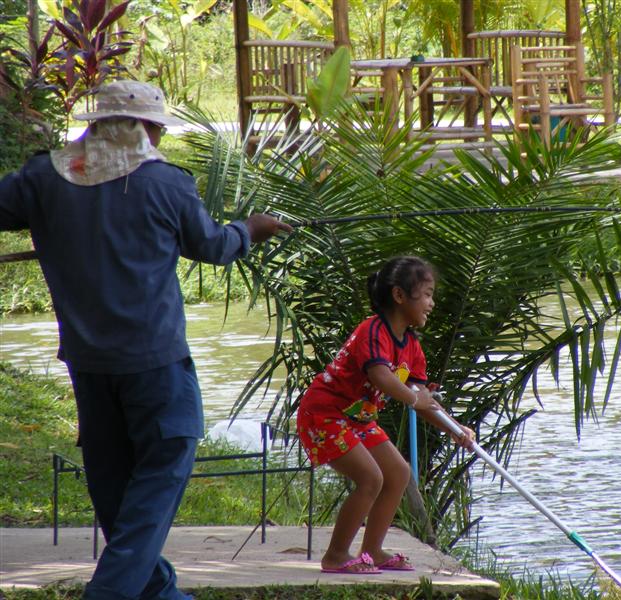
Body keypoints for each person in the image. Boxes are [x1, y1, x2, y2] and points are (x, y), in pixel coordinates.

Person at [0, 80, 292, 600]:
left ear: (96, 126)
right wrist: (251, 228)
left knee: (113, 480)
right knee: (166, 462)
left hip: (88, 363)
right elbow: (214, 247)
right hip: (155, 361)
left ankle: (158, 592)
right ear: (145, 130)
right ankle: (109, 594)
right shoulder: (168, 184)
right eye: (157, 128)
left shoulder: (43, 178)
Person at [297, 255, 475, 574]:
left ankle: (374, 550)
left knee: (398, 474)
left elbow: (424, 399)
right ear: (399, 295)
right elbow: (381, 376)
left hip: (358, 419)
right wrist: (412, 398)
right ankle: (336, 555)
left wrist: (453, 427)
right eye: (428, 293)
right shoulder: (372, 330)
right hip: (325, 414)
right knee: (370, 478)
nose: (432, 303)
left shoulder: (412, 346)